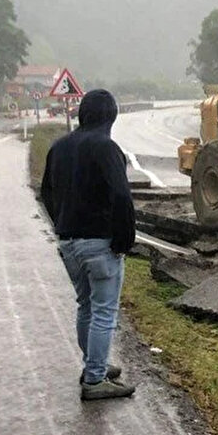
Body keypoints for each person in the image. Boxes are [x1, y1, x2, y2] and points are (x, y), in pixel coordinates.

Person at [40, 89, 137, 400]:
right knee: (105, 312)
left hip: (69, 243)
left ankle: (94, 364)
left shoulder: (59, 147)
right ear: (111, 117)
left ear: (82, 113)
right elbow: (121, 196)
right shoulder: (106, 148)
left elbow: (46, 193)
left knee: (86, 306)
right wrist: (124, 238)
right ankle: (95, 379)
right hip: (99, 243)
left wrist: (62, 223)